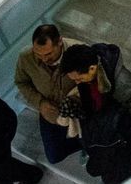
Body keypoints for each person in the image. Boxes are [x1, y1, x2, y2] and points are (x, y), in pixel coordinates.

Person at [60, 42, 131, 184]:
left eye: (78, 78)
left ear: (92, 68)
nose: (77, 83)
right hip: (109, 132)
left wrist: (119, 140)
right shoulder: (90, 79)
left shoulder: (123, 85)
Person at [13, 25, 82, 165]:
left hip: (78, 109)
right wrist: (40, 103)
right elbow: (22, 82)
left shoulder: (79, 51)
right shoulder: (25, 57)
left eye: (48, 54)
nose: (44, 59)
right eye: (38, 54)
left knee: (93, 140)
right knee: (54, 156)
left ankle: (86, 142)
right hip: (50, 110)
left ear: (60, 42)